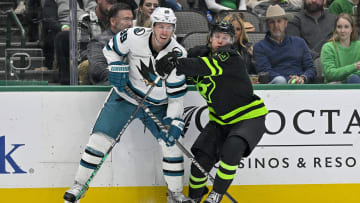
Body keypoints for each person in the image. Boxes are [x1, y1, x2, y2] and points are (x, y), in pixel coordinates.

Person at [63, 7, 192, 203]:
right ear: (153, 26)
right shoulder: (133, 36)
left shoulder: (178, 54)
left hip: (157, 105)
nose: (165, 31)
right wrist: (115, 66)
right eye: (161, 26)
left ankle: (175, 194)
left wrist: (174, 121)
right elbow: (109, 50)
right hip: (126, 97)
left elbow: (175, 96)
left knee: (172, 145)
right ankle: (79, 186)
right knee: (99, 140)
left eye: (169, 27)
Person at [156, 20, 268, 203]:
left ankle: (215, 197)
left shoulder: (231, 58)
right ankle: (195, 199)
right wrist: (167, 61)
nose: (220, 41)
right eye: (217, 36)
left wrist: (177, 64)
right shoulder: (199, 53)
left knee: (232, 149)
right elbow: (182, 58)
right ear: (210, 38)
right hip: (219, 121)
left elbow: (204, 67)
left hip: (248, 118)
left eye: (225, 38)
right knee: (200, 161)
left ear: (232, 41)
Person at [253, 4, 316, 84]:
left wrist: (302, 78)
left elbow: (311, 68)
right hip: (275, 87)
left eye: (279, 21)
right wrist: (289, 81)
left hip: (300, 84)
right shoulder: (259, 47)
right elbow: (265, 72)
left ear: (286, 23)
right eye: (272, 22)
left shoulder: (300, 42)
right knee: (280, 80)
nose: (276, 26)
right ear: (267, 25)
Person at [87, 3, 135, 85]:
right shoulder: (98, 42)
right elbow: (97, 71)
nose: (130, 24)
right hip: (109, 88)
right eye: (126, 19)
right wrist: (125, 76)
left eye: (131, 19)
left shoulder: (136, 40)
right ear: (113, 21)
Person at [320, 13, 360, 83]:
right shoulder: (328, 47)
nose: (342, 31)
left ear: (352, 29)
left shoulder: (358, 46)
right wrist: (354, 67)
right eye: (339, 27)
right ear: (336, 29)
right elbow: (330, 74)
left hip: (354, 82)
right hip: (334, 87)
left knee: (354, 79)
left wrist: (343, 80)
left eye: (346, 27)